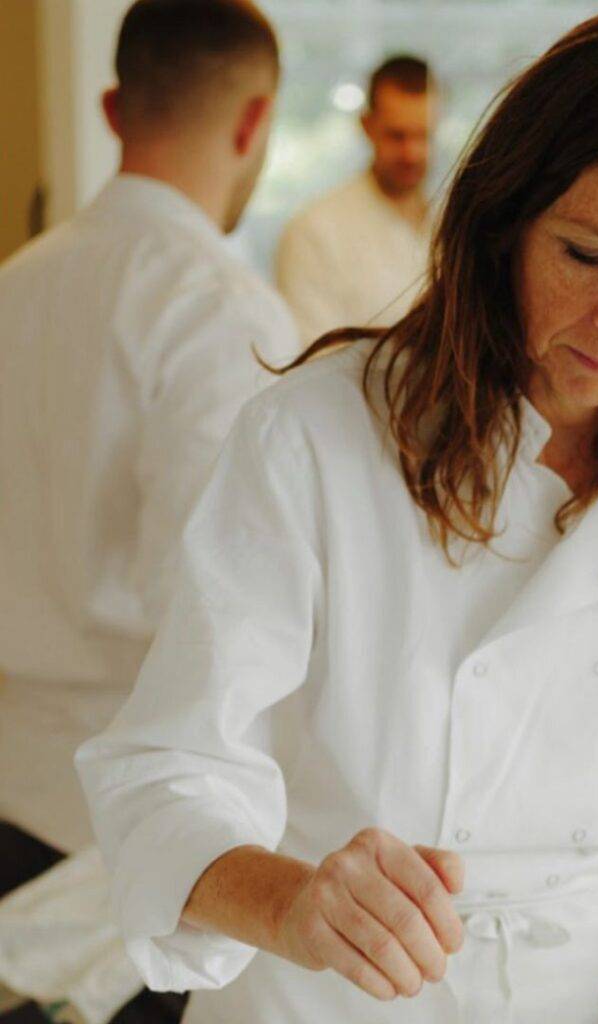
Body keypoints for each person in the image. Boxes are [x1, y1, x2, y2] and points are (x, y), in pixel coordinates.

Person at [77, 4, 598, 1022]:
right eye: (586, 254)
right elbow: (168, 768)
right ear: (504, 222)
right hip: (330, 991)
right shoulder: (318, 434)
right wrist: (295, 905)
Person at [0, 2, 296, 1018]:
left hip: (12, 785)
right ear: (254, 122)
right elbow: (216, 607)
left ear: (114, 107)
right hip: (131, 836)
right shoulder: (225, 315)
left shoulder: (14, 285)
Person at [275, 55, 436, 343]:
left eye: (422, 135)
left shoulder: (453, 221)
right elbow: (315, 360)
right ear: (367, 126)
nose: (411, 153)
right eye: (397, 136)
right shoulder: (314, 232)